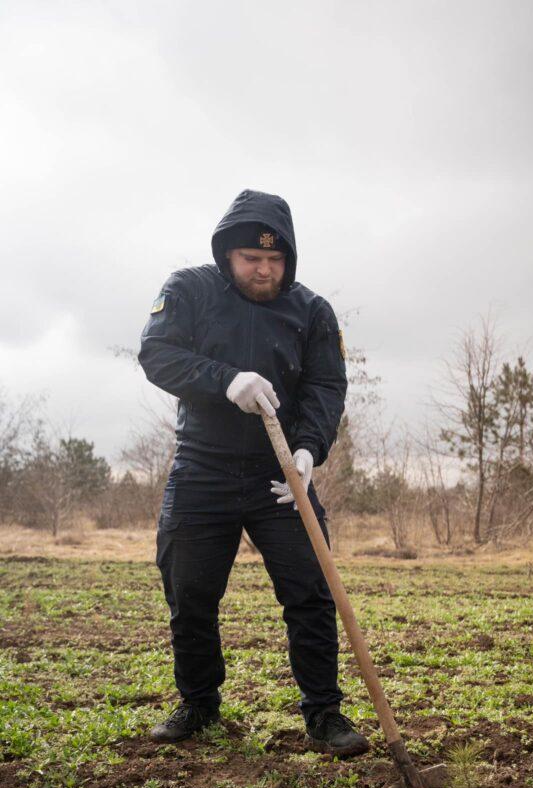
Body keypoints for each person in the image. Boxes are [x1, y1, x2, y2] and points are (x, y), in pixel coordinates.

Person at [138, 189, 369, 759]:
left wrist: (310, 450)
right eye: (250, 258)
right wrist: (224, 379)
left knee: (310, 592)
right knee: (189, 591)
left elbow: (325, 386)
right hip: (202, 470)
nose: (264, 269)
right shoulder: (188, 290)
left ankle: (323, 713)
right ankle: (198, 703)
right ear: (226, 255)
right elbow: (156, 354)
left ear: (289, 259)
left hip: (281, 475)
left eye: (275, 259)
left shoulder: (312, 311)